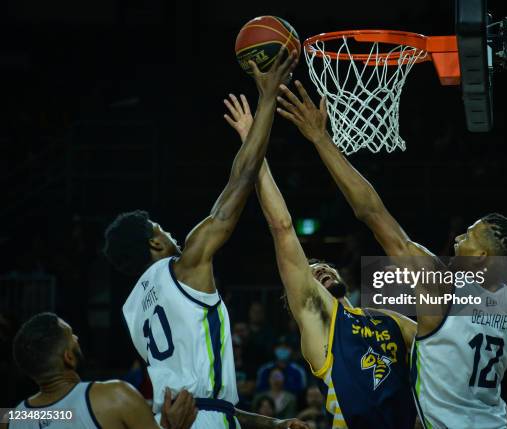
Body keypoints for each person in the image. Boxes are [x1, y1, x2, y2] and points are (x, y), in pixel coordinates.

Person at [275, 81, 507, 429]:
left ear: (483, 258)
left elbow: (372, 213)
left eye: (469, 237)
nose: (458, 239)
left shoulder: (439, 287)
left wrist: (321, 139)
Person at [104, 49, 306, 429]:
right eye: (163, 231)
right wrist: (265, 100)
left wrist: (273, 426)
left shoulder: (133, 314)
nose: (172, 235)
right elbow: (242, 179)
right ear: (153, 244)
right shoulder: (187, 265)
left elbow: (208, 403)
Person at [224, 94, 417, 429]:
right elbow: (282, 228)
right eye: (312, 272)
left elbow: (439, 343)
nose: (322, 269)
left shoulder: (389, 320)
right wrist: (253, 144)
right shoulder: (320, 322)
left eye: (325, 266)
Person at [2, 312, 196, 429]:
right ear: (68, 358)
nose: (77, 338)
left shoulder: (12, 418)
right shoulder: (114, 395)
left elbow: (61, 414)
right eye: (72, 335)